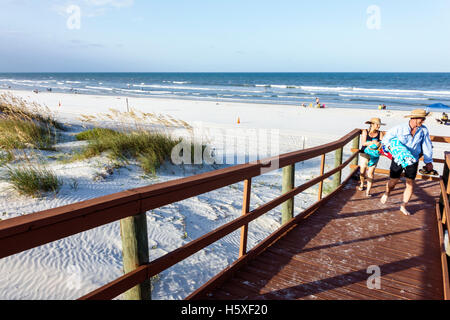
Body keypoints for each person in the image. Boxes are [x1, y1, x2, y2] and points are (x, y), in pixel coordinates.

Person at [380, 109, 433, 216]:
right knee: (393, 182)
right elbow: (385, 140)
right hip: (398, 159)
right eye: (422, 119)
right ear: (414, 118)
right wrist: (392, 148)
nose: (423, 121)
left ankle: (403, 206)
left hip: (413, 160)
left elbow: (426, 145)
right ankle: (387, 192)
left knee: (410, 184)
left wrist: (428, 161)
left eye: (424, 118)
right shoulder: (399, 129)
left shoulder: (423, 130)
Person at [358, 117, 385, 197]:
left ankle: (368, 191)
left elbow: (382, 143)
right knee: (362, 171)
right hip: (364, 153)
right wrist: (371, 142)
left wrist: (379, 143)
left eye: (379, 125)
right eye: (377, 125)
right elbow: (363, 143)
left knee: (371, 173)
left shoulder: (380, 133)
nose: (379, 126)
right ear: (372, 124)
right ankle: (362, 184)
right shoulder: (365, 131)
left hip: (375, 155)